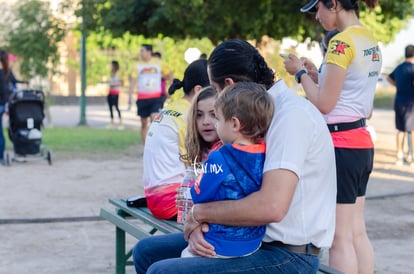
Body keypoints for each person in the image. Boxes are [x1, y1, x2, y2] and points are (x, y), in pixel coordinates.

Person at [133, 39, 336, 274]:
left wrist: (199, 214)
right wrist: (203, 224)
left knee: (163, 272)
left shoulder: (290, 116)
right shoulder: (255, 113)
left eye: (216, 90)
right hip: (247, 236)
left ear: (229, 85)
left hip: (288, 254)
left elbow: (271, 207)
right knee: (146, 252)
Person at [284, 1, 382, 273]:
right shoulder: (368, 39)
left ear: (334, 4)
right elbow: (353, 95)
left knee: (339, 239)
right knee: (356, 232)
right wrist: (317, 75)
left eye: (319, 9)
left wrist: (300, 73)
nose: (317, 16)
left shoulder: (340, 44)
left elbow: (324, 104)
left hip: (340, 146)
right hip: (360, 142)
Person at [180, 82, 274, 258]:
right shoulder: (266, 153)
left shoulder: (218, 157)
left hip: (220, 242)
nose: (215, 124)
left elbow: (199, 194)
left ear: (234, 124)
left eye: (218, 118)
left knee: (183, 258)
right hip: (253, 242)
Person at [142, 59, 210, 220]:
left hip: (155, 198)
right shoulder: (190, 116)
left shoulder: (172, 108)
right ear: (198, 90)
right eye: (215, 89)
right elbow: (193, 166)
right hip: (173, 202)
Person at [128, 44, 173, 144]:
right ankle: (145, 147)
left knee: (155, 120)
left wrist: (170, 86)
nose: (141, 53)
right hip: (142, 98)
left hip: (155, 98)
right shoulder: (137, 65)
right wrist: (130, 95)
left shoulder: (158, 63)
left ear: (149, 52)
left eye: (142, 51)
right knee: (144, 124)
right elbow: (133, 81)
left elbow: (170, 73)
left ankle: (154, 144)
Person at [387, 44, 414, 166]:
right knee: (412, 130)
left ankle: (399, 155)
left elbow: (388, 77)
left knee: (400, 129)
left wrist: (397, 85)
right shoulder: (413, 69)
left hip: (399, 101)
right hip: (411, 103)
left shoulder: (399, 68)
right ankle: (411, 156)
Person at [0, 49, 12, 165]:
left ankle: (1, 156)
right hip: (3, 105)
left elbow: (4, 91)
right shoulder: (6, 71)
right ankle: (1, 156)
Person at [106, 60, 123, 130]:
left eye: (112, 65)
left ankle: (121, 123)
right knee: (110, 108)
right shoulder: (111, 73)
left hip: (115, 93)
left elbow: (120, 83)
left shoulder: (118, 74)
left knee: (116, 107)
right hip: (110, 92)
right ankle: (112, 123)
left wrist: (112, 84)